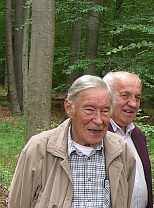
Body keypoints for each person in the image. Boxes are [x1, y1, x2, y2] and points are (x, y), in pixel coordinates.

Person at [8, 75, 136, 208]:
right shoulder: (39, 150)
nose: (98, 120)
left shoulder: (122, 151)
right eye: (89, 110)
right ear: (69, 108)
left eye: (105, 111)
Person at [103, 71, 153, 208]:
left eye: (137, 97)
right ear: (107, 97)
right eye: (125, 96)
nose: (133, 104)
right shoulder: (97, 136)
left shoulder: (137, 135)